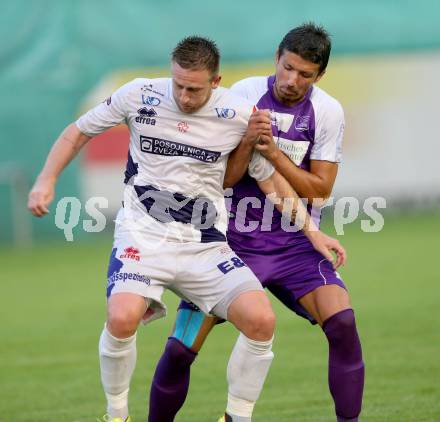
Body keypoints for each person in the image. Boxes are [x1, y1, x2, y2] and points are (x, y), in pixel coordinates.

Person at [27, 36, 345, 422]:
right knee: (123, 316)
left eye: (194, 88)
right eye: (178, 84)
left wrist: (313, 233)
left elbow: (269, 182)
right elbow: (78, 131)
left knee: (261, 320)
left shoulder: (238, 114)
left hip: (204, 243)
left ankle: (236, 418)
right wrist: (46, 179)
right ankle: (116, 415)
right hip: (144, 235)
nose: (184, 96)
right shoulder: (139, 95)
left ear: (216, 82)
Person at [148, 23, 364, 422]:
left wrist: (274, 152)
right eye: (287, 68)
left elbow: (319, 192)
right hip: (229, 242)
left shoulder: (327, 111)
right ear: (277, 59)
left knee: (344, 324)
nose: (292, 80)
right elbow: (223, 174)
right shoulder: (244, 95)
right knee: (181, 350)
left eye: (305, 74)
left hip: (295, 243)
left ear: (320, 76)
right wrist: (249, 143)